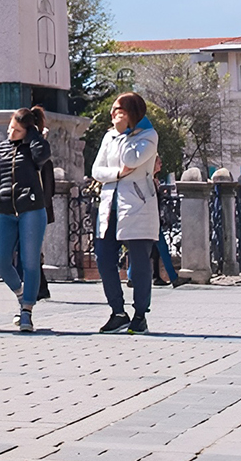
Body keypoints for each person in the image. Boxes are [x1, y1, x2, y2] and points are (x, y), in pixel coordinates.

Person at [91, 91, 159, 335]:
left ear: (131, 112)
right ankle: (117, 312)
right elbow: (97, 170)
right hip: (109, 206)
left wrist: (124, 133)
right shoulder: (109, 136)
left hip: (137, 205)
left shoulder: (148, 136)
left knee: (140, 262)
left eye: (118, 109)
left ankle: (140, 314)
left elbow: (132, 158)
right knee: (104, 259)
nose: (112, 114)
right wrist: (118, 173)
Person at [0, 107, 55, 332]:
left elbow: (42, 157)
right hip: (6, 210)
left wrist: (34, 135)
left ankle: (27, 311)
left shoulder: (35, 148)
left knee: (30, 261)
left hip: (32, 209)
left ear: (27, 131)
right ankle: (21, 294)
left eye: (16, 130)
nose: (10, 133)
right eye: (10, 128)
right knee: (1, 260)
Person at [151, 156, 182, 289]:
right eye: (158, 162)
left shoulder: (154, 181)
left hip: (154, 218)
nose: (161, 164)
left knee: (148, 249)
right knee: (162, 248)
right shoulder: (149, 181)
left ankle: (131, 277)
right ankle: (173, 277)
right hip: (151, 219)